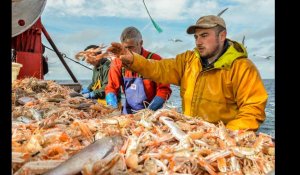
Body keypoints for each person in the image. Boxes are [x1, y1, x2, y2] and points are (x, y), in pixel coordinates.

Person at [106, 15, 268, 131]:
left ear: (222, 36)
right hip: (191, 135)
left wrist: (226, 134)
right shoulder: (188, 61)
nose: (198, 41)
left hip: (223, 138)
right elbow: (159, 68)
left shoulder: (242, 68)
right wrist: (132, 59)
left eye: (204, 36)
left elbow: (253, 110)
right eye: (196, 37)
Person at [105, 26, 172, 114]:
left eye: (131, 47)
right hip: (128, 112)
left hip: (152, 111)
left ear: (140, 43)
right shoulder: (118, 62)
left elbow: (164, 89)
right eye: (125, 48)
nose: (127, 52)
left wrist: (149, 110)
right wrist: (111, 105)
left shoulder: (156, 59)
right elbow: (111, 87)